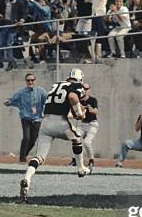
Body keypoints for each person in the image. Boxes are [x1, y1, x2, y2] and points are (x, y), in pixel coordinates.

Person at [19, 68, 91, 203]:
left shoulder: (56, 84)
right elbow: (72, 97)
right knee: (77, 138)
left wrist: (78, 109)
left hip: (45, 123)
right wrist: (79, 113)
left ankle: (27, 179)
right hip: (60, 122)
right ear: (80, 78)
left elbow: (62, 101)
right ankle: (81, 168)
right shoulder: (77, 86)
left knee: (39, 157)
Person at [4, 73, 48, 162]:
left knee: (33, 140)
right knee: (26, 138)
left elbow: (47, 100)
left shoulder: (41, 91)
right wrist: (8, 102)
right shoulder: (21, 92)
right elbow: (13, 100)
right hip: (26, 118)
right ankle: (22, 158)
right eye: (28, 80)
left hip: (37, 119)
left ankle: (25, 154)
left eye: (32, 80)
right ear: (26, 81)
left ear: (35, 81)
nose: (30, 82)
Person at [75, 82, 99, 170]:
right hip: (82, 124)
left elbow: (96, 112)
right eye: (83, 89)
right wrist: (81, 109)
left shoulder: (93, 100)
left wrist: (91, 109)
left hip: (92, 124)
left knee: (87, 142)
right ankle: (76, 160)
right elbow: (76, 113)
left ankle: (91, 160)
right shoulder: (78, 100)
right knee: (75, 139)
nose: (85, 90)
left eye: (87, 89)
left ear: (89, 90)